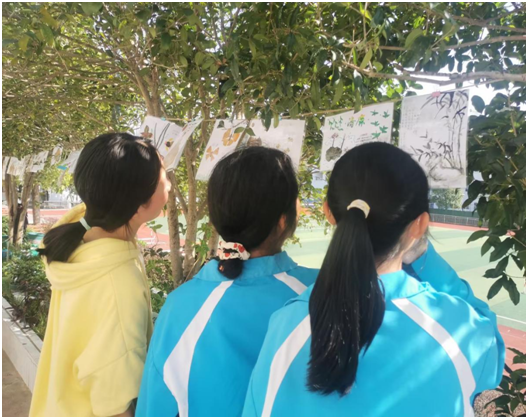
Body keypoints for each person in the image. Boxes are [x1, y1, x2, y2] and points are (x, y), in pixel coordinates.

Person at [243, 142, 505, 417]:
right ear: (420, 224)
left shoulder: (286, 324)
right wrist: (424, 256)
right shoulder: (459, 328)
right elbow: (491, 353)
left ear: (328, 212)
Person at [136, 147, 318, 417]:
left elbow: (154, 408)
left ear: (216, 218)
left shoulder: (180, 306)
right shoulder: (322, 293)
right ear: (284, 221)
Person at [30, 133, 171, 417]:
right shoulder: (119, 284)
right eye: (163, 176)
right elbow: (115, 403)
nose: (168, 183)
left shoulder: (84, 240)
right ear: (138, 202)